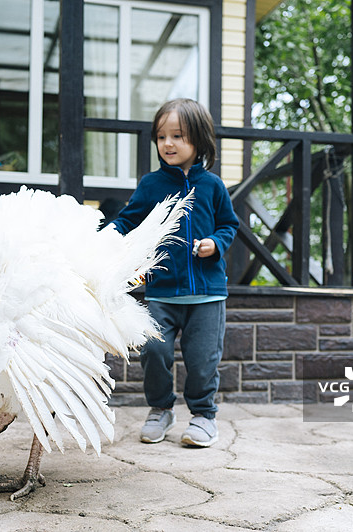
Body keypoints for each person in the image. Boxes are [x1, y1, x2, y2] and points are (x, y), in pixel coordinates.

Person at [108, 98, 239, 447]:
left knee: (202, 360)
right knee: (154, 353)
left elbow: (229, 224)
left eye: (178, 136)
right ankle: (161, 410)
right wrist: (110, 235)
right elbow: (128, 219)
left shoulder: (212, 186)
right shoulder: (151, 185)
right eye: (162, 136)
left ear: (199, 141)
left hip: (207, 294)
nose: (168, 143)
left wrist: (215, 242)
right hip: (161, 290)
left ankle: (203, 416)